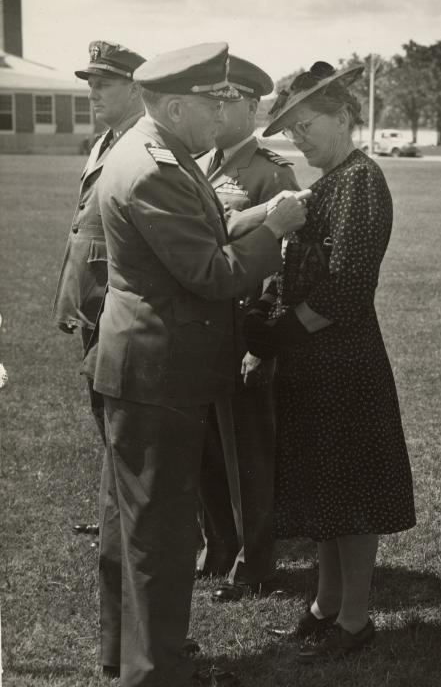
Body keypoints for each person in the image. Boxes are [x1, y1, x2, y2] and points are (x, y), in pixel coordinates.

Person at [87, 42, 308, 686]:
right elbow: (212, 273)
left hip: (142, 360)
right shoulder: (158, 167)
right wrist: (277, 230)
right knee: (159, 528)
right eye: (212, 104)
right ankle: (155, 671)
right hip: (162, 367)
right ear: (177, 106)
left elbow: (202, 232)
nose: (223, 116)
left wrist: (256, 215)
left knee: (127, 523)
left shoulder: (158, 153)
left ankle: (124, 653)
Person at [244, 61, 416, 662]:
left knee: (353, 491)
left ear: (343, 117)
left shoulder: (361, 180)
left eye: (305, 126)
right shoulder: (328, 181)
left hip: (343, 359)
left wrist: (275, 336)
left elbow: (346, 288)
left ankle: (355, 620)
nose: (297, 140)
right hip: (312, 360)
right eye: (289, 131)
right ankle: (324, 605)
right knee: (326, 488)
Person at [194, 56, 301, 599]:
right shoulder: (196, 162)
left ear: (254, 107)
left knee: (248, 454)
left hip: (243, 328)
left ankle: (255, 564)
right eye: (211, 97)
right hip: (201, 328)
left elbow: (283, 265)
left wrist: (263, 343)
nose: (216, 108)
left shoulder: (272, 172)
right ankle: (218, 549)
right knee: (208, 448)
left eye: (228, 99)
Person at [51, 40, 145, 537]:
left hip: (118, 299)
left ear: (135, 88)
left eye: (103, 84)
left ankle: (137, 520)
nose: (93, 93)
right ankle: (118, 512)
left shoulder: (139, 142)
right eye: (90, 84)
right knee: (103, 411)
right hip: (92, 297)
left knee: (123, 418)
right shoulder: (108, 139)